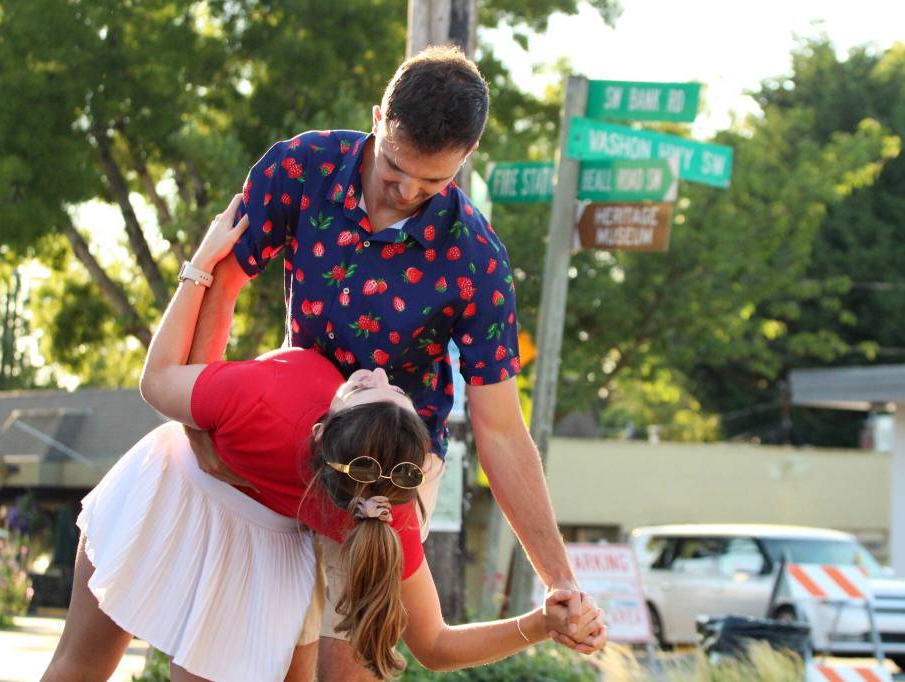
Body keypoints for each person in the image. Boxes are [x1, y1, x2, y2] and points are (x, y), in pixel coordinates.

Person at [41, 197, 605, 682]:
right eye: (392, 389)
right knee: (84, 665)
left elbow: (158, 379)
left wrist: (200, 266)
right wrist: (539, 625)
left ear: (327, 424)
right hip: (178, 493)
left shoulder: (287, 400)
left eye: (370, 388)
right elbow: (434, 645)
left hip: (256, 541)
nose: (378, 371)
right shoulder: (377, 501)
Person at [185, 45, 603, 681]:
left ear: (465, 161)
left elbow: (499, 427)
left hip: (392, 469)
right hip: (294, 437)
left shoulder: (477, 258)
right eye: (393, 170)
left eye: (432, 183)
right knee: (264, 654)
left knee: (351, 662)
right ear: (378, 118)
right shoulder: (301, 166)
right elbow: (225, 280)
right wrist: (202, 426)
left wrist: (559, 579)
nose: (406, 192)